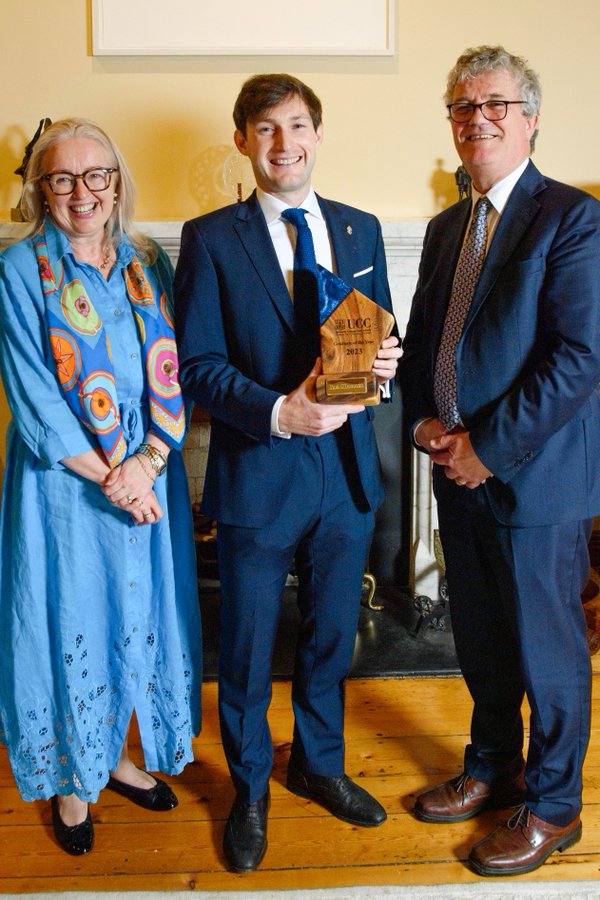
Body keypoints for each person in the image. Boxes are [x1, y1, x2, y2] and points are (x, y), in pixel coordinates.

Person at [174, 73, 401, 872]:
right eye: (265, 129)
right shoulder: (210, 238)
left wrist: (387, 360)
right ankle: (252, 791)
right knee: (242, 648)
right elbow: (195, 367)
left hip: (345, 475)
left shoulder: (361, 227)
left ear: (317, 132)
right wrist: (278, 411)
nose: (284, 144)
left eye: (297, 125)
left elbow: (378, 340)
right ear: (243, 140)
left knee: (332, 638)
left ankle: (321, 764)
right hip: (259, 471)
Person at [399, 45, 600, 876]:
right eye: (460, 105)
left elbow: (577, 358)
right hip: (457, 471)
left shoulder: (572, 216)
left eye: (494, 105)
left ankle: (553, 807)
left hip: (536, 475)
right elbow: (426, 349)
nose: (475, 118)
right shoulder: (451, 225)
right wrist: (422, 427)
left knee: (547, 650)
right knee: (480, 635)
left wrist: (486, 445)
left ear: (530, 118)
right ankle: (491, 765)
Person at [0, 118, 202, 856]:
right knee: (66, 621)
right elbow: (36, 404)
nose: (82, 193)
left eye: (97, 176)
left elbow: (171, 375)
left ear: (117, 184)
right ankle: (69, 782)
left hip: (147, 479)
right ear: (39, 189)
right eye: (62, 178)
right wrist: (116, 479)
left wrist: (146, 463)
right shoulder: (19, 271)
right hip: (64, 491)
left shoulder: (148, 260)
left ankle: (114, 757)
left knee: (133, 615)